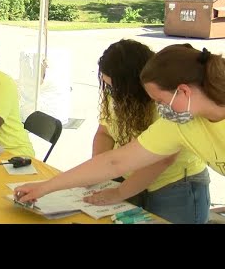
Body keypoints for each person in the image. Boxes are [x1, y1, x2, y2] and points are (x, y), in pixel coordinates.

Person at [15, 43, 224, 222]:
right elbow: (115, 162)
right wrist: (45, 187)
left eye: (160, 101)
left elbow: (159, 162)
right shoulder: (177, 124)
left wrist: (120, 192)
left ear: (184, 91)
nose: (160, 108)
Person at [84, 39, 209, 224]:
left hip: (174, 185)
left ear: (134, 84)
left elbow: (164, 159)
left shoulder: (166, 101)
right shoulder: (117, 97)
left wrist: (120, 192)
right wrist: (98, 172)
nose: (111, 93)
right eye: (107, 86)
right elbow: (105, 133)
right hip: (128, 181)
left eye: (115, 87)